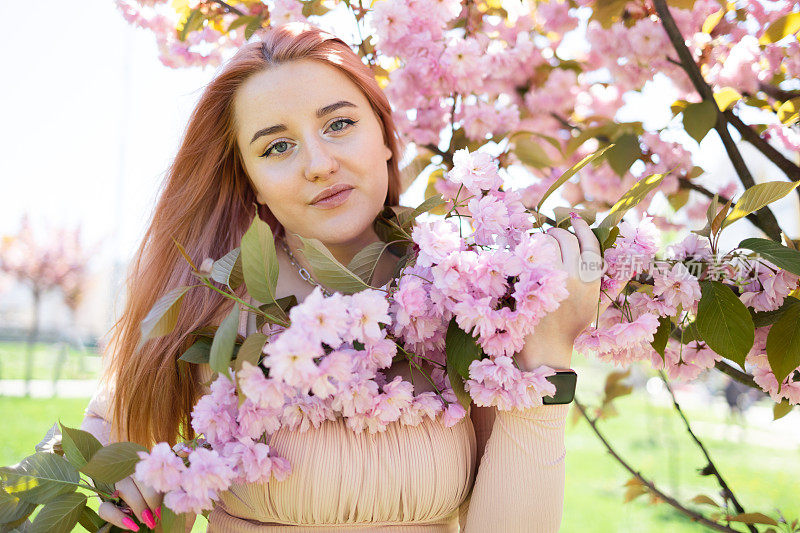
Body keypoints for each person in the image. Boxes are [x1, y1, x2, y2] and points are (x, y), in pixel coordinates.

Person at [82, 22, 602, 532]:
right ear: (252, 183)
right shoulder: (211, 303)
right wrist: (122, 484)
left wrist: (548, 361)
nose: (319, 163)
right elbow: (105, 441)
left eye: (339, 124)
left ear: (385, 137)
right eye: (276, 147)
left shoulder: (471, 295)